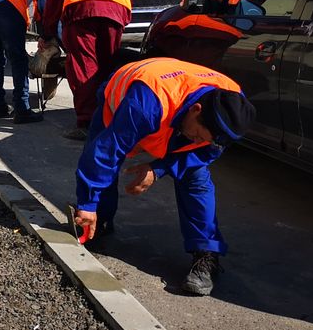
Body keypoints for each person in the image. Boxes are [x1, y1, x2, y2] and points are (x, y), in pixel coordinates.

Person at [72, 57, 255, 296]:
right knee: (106, 158)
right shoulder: (145, 104)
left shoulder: (231, 108)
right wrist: (87, 203)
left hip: (171, 99)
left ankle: (206, 254)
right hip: (133, 92)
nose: (200, 142)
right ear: (196, 110)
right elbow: (106, 152)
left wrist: (158, 169)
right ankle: (97, 220)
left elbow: (205, 153)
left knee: (196, 178)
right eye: (199, 135)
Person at [41, 0, 131, 141]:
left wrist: (48, 29)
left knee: (84, 66)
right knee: (108, 65)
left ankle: (88, 123)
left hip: (83, 11)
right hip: (115, 11)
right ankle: (109, 118)